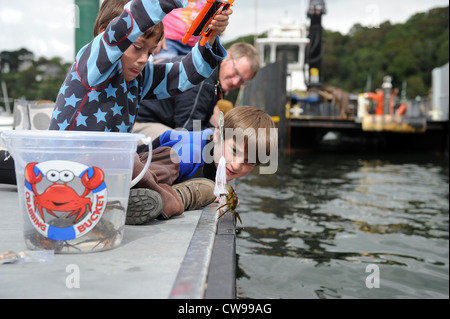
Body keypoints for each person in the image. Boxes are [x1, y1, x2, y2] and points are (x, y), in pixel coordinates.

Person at [48, 0, 231, 133]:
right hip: (68, 168)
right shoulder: (94, 60)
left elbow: (187, 74)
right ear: (104, 33)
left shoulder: (140, 77)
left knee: (173, 146)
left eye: (150, 52)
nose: (144, 59)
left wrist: (211, 34)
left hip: (109, 165)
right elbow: (131, 22)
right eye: (137, 47)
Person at [127, 106, 278, 224]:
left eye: (249, 161)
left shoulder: (220, 157)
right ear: (218, 135)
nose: (237, 165)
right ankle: (172, 198)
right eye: (234, 151)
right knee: (167, 168)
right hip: (136, 167)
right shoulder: (188, 153)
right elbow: (139, 174)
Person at [133, 42, 260, 139]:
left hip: (152, 119)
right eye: (236, 72)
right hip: (137, 122)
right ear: (227, 57)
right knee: (182, 146)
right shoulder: (203, 80)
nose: (235, 82)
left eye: (242, 81)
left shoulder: (212, 76)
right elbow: (188, 130)